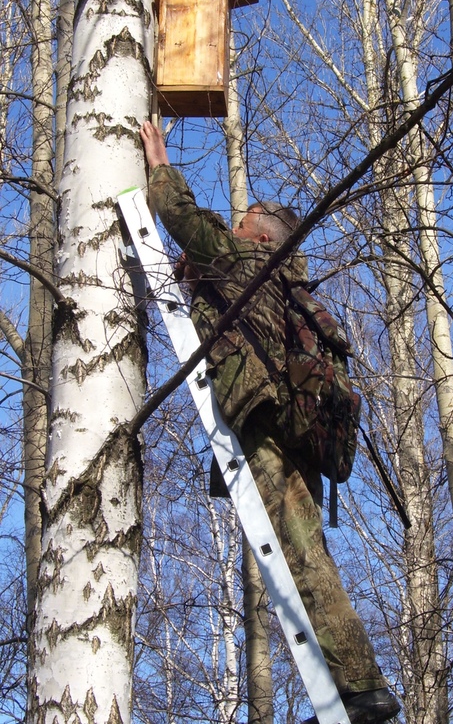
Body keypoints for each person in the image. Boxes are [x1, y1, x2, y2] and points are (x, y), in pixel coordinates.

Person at [140, 121, 400, 724]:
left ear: (262, 233)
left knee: (301, 552)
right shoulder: (282, 283)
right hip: (296, 423)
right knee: (306, 551)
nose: (233, 223)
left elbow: (179, 214)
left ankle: (364, 691)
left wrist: (158, 159)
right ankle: (347, 691)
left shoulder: (247, 257)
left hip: (265, 418)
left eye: (243, 217)